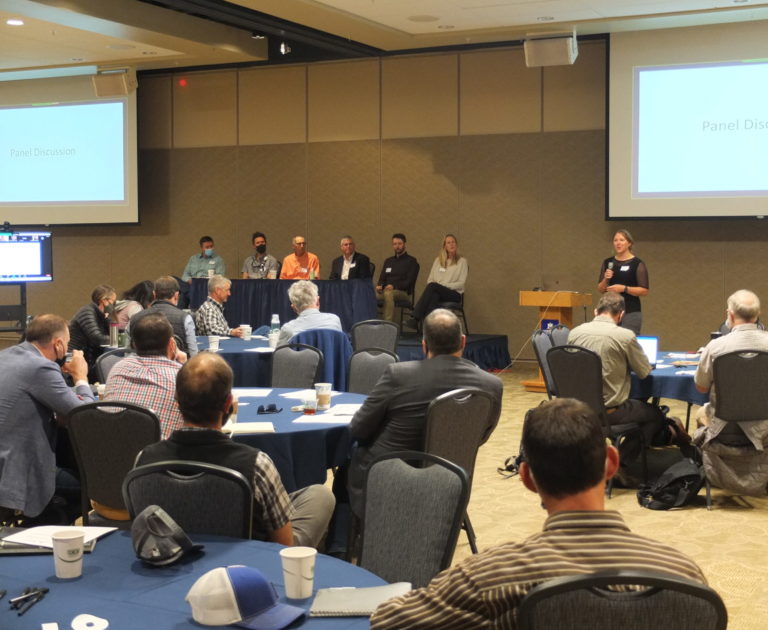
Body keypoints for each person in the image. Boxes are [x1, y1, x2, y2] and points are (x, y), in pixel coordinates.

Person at [370, 398, 707, 629]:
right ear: (611, 463)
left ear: (527, 478)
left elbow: (389, 621)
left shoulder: (489, 578)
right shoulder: (684, 576)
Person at [136, 353, 335, 548]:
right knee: (321, 495)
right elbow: (283, 545)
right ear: (228, 403)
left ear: (176, 401)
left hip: (169, 560)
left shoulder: (144, 460)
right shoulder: (256, 464)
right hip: (245, 568)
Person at [347, 309, 502, 514]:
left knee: (349, 462)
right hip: (451, 478)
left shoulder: (399, 375)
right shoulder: (492, 385)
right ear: (463, 342)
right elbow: (479, 437)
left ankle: (344, 543)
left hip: (389, 477)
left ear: (424, 345)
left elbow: (358, 429)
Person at [0, 315, 94, 523]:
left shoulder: (6, 355)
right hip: (16, 470)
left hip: (5, 459)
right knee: (90, 486)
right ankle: (42, 531)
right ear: (58, 344)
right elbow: (84, 416)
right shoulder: (40, 367)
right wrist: (81, 377)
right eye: (67, 344)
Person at [567, 293, 682, 448]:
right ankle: (624, 461)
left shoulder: (574, 333)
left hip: (577, 408)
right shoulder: (625, 335)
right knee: (655, 415)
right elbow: (643, 372)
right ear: (621, 315)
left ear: (596, 311)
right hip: (610, 412)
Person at [694, 289, 768, 496]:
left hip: (723, 430)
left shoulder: (716, 346)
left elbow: (700, 387)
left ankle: (712, 469)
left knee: (702, 412)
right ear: (757, 314)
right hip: (764, 431)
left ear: (731, 315)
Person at [105, 311, 187, 440]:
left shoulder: (118, 368)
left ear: (135, 344)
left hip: (109, 453)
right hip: (158, 458)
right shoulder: (181, 377)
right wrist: (184, 366)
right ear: (172, 344)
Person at [129, 275, 198, 356]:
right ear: (176, 295)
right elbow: (193, 353)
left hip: (140, 366)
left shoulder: (135, 318)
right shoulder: (185, 318)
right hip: (177, 367)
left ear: (154, 294)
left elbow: (129, 352)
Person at [408, 234, 467, 326]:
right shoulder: (438, 260)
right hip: (438, 291)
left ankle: (415, 317)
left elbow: (461, 283)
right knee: (434, 295)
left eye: (453, 242)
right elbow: (430, 279)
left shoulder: (462, 261)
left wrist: (443, 285)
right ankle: (429, 328)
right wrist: (439, 287)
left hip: (454, 294)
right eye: (448, 243)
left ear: (456, 244)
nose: (451, 244)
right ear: (444, 246)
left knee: (433, 287)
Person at [597, 229, 648, 335]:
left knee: (627, 342)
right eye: (615, 240)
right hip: (609, 311)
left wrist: (624, 288)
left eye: (622, 240)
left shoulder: (637, 263)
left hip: (630, 310)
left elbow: (644, 291)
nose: (618, 243)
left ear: (629, 243)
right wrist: (606, 279)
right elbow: (601, 289)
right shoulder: (608, 262)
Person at [68, 284, 116, 380]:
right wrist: (116, 340)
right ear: (104, 301)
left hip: (87, 358)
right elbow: (97, 338)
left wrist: (110, 316)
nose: (114, 305)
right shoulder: (87, 311)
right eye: (113, 302)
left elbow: (113, 335)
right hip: (73, 358)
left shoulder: (102, 315)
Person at [277, 280, 343, 346]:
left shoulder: (288, 329)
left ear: (293, 308)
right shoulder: (334, 321)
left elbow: (279, 355)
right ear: (318, 301)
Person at [376, 233, 419, 323]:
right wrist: (379, 286)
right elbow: (382, 279)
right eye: (395, 244)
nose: (397, 246)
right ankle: (370, 326)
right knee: (367, 295)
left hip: (403, 292)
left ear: (404, 244)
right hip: (385, 291)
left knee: (388, 294)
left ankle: (387, 325)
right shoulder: (388, 261)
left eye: (400, 243)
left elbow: (409, 282)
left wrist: (394, 286)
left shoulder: (411, 261)